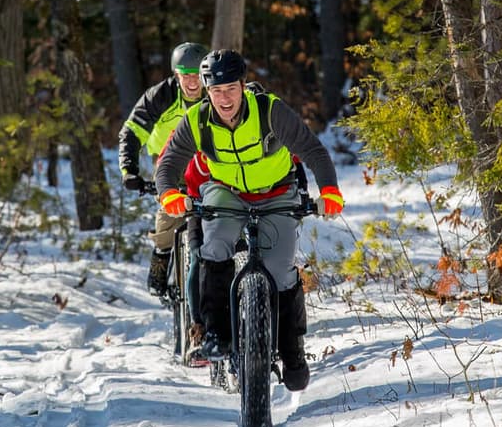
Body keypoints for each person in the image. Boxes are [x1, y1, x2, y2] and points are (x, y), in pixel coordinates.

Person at [154, 49, 344, 392]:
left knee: (281, 267)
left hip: (276, 192)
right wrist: (170, 194)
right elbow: (168, 164)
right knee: (213, 246)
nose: (224, 98)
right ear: (207, 92)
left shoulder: (270, 110)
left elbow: (314, 150)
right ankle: (217, 334)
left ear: (243, 86)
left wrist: (328, 191)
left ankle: (291, 349)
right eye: (216, 91)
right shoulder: (197, 119)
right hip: (226, 192)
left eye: (230, 88)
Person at [118, 42, 209, 296]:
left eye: (197, 76)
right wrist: (130, 170)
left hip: (208, 158)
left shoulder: (217, 92)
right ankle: (162, 257)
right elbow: (133, 131)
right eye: (185, 76)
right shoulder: (161, 96)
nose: (192, 83)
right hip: (169, 159)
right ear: (176, 75)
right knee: (171, 209)